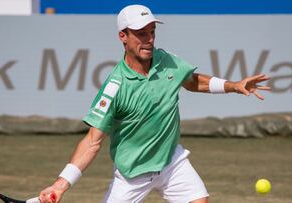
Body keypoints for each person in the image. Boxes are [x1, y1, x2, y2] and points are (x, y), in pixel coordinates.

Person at [39, 4, 270, 203]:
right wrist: (60, 185)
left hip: (171, 162)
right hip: (132, 174)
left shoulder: (166, 60)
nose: (149, 39)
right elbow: (92, 142)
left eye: (152, 32)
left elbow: (191, 81)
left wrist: (235, 86)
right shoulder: (115, 87)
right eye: (140, 33)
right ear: (123, 36)